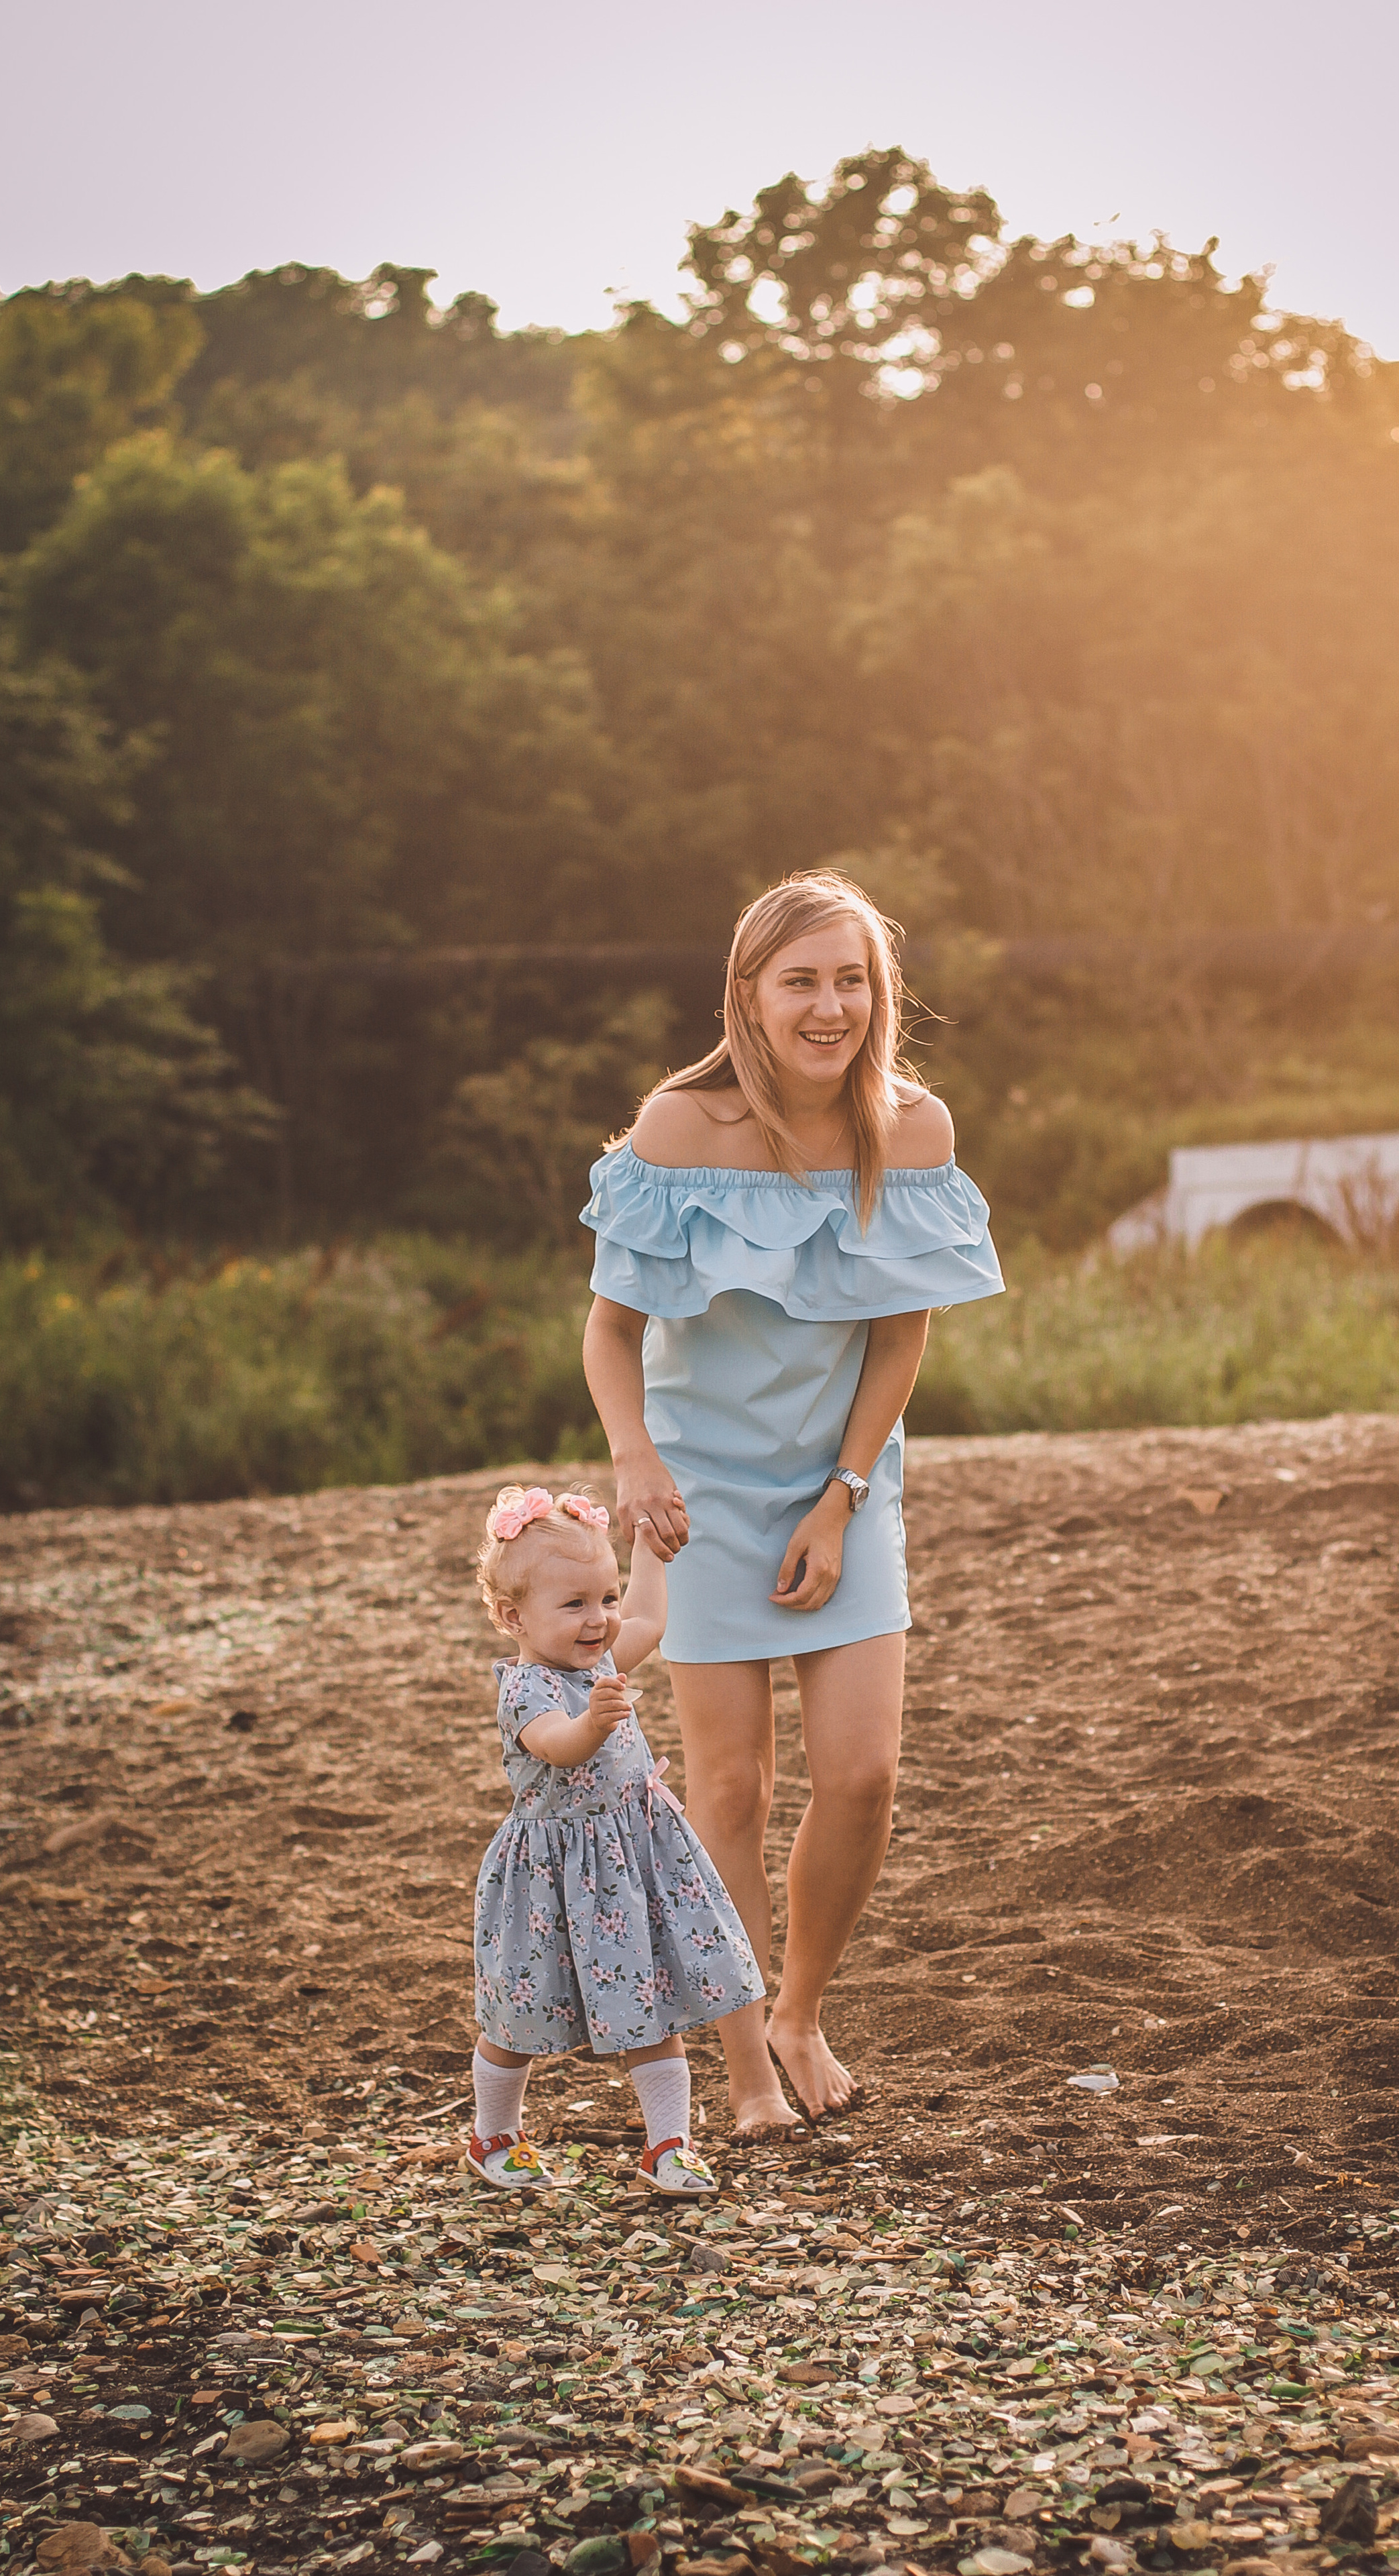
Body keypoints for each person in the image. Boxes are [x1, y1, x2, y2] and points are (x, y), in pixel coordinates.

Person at [581, 869, 1003, 2136]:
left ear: (880, 993)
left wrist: (842, 1496)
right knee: (733, 1788)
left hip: (846, 1484)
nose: (831, 1007)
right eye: (802, 981)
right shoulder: (676, 1129)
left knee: (865, 1772)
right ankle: (747, 2059)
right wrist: (635, 1461)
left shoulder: (911, 1130)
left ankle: (800, 2009)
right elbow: (610, 1336)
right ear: (749, 996)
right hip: (695, 1494)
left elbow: (898, 1336)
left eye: (852, 979)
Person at [467, 1483, 764, 2196]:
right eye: (574, 1605)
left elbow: (651, 1618)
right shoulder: (525, 1689)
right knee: (522, 2014)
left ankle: (669, 2146)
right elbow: (559, 1747)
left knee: (649, 1998)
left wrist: (648, 1553)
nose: (600, 1619)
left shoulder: (599, 1658)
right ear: (514, 1617)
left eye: (604, 1597)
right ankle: (493, 2134)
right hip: (550, 1878)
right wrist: (596, 1724)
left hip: (631, 1863)